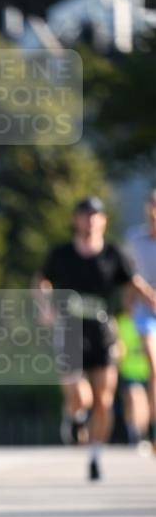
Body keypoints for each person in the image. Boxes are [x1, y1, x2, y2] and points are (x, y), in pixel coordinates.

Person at [34, 197, 156, 481]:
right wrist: (46, 305)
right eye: (85, 215)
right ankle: (75, 417)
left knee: (103, 399)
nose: (90, 220)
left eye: (95, 215)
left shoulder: (113, 253)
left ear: (103, 221)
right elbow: (40, 280)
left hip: (103, 329)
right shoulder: (62, 254)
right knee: (81, 396)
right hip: (70, 329)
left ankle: (95, 453)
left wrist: (150, 297)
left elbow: (132, 281)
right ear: (76, 220)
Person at [123, 189, 156, 452]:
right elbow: (128, 274)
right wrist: (141, 295)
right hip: (146, 312)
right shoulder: (135, 238)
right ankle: (148, 430)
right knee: (153, 368)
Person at [115, 310, 150, 445]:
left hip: (146, 371)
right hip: (128, 371)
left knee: (143, 403)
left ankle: (142, 433)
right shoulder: (121, 321)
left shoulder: (148, 321)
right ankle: (134, 432)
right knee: (133, 399)